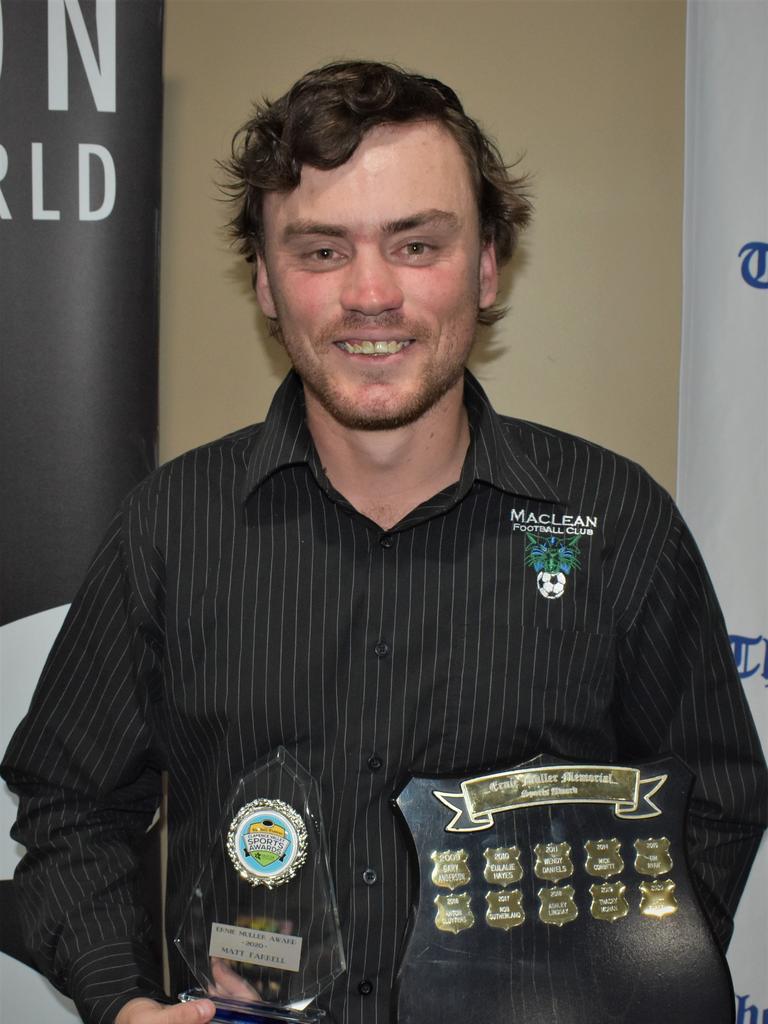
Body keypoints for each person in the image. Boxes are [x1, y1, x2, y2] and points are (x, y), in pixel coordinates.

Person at [2, 61, 766, 1024]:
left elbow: (717, 798)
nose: (371, 294)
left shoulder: (617, 524)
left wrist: (614, 980)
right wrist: (121, 1002)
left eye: (415, 245)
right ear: (267, 285)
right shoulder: (170, 527)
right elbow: (70, 803)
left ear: (486, 266)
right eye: (321, 251)